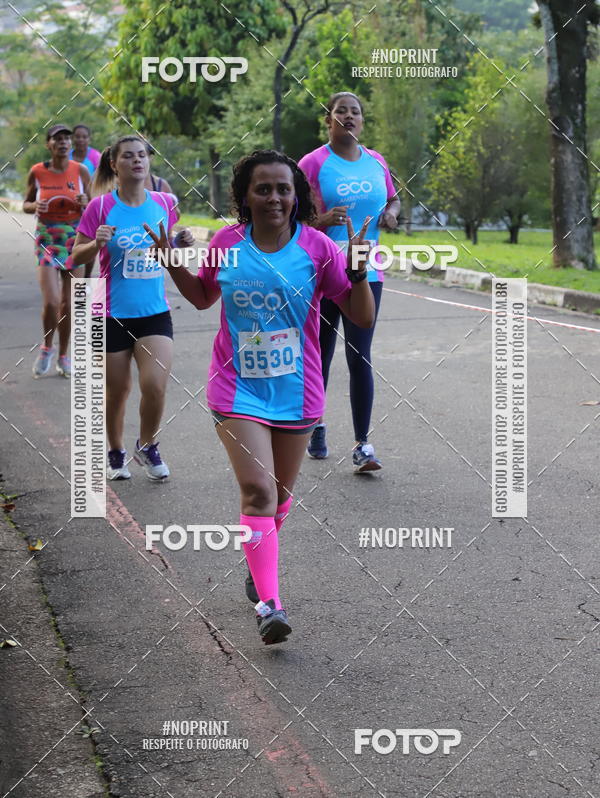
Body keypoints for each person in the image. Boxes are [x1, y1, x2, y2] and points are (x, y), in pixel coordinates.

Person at [146, 149, 374, 645]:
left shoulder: (318, 247)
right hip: (236, 388)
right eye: (263, 189)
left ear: (298, 196)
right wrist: (172, 265)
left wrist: (358, 273)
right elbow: (204, 296)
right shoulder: (228, 242)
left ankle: (259, 558)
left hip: (299, 390)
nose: (274, 197)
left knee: (279, 501)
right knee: (259, 493)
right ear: (245, 197)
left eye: (283, 189)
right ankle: (270, 605)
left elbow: (361, 317)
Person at [71, 135, 193, 481]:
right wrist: (96, 242)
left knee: (155, 385)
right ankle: (115, 450)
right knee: (118, 390)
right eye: (129, 156)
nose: (138, 161)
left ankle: (147, 444)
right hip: (110, 313)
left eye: (142, 155)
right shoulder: (100, 207)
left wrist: (180, 240)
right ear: (115, 164)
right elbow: (75, 255)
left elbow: (170, 243)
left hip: (154, 311)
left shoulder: (166, 202)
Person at [299, 92, 400, 472]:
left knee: (360, 354)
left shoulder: (376, 161)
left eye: (355, 111)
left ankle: (363, 444)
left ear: (362, 120)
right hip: (324, 269)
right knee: (321, 352)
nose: (349, 116)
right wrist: (320, 222)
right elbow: (290, 216)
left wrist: (391, 213)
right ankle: (316, 423)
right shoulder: (313, 162)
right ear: (329, 119)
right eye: (341, 111)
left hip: (367, 269)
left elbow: (394, 199)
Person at [23, 124, 90, 378]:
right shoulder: (38, 172)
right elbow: (26, 203)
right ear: (48, 145)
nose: (63, 143)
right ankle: (46, 348)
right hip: (48, 238)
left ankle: (64, 355)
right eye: (58, 139)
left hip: (76, 238)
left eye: (67, 139)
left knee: (70, 304)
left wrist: (86, 202)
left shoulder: (80, 171)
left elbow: (93, 204)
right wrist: (34, 205)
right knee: (51, 302)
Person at [69, 124, 102, 277]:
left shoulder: (96, 157)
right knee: (74, 247)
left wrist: (90, 199)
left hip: (91, 205)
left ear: (89, 139)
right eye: (77, 136)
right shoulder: (66, 156)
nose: (81, 140)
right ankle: (72, 281)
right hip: (70, 209)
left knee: (89, 244)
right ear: (72, 138)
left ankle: (86, 278)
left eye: (84, 136)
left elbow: (102, 182)